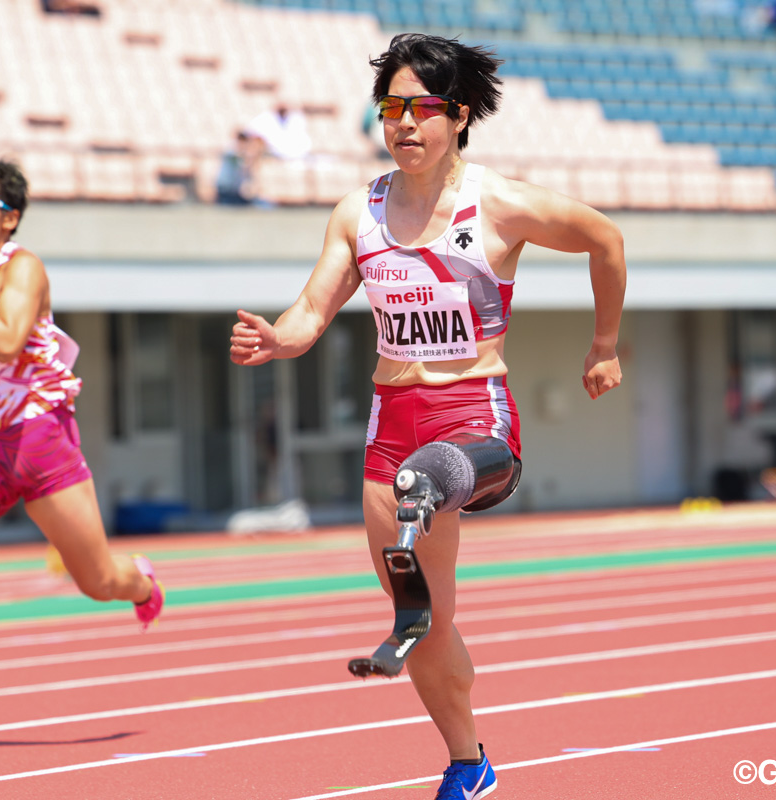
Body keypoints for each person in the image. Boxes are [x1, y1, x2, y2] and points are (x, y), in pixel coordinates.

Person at [229, 33, 625, 800]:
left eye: (422, 109)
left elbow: (605, 240)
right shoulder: (359, 212)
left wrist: (603, 343)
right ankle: (469, 762)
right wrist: (280, 339)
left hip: (475, 418)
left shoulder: (500, 204)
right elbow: (313, 309)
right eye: (391, 109)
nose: (404, 124)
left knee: (430, 480)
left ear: (460, 115)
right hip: (392, 421)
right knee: (426, 618)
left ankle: (428, 496)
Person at [0, 156, 162, 628]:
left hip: (40, 438)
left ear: (9, 217)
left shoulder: (21, 268)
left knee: (98, 581)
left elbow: (7, 343)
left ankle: (144, 582)